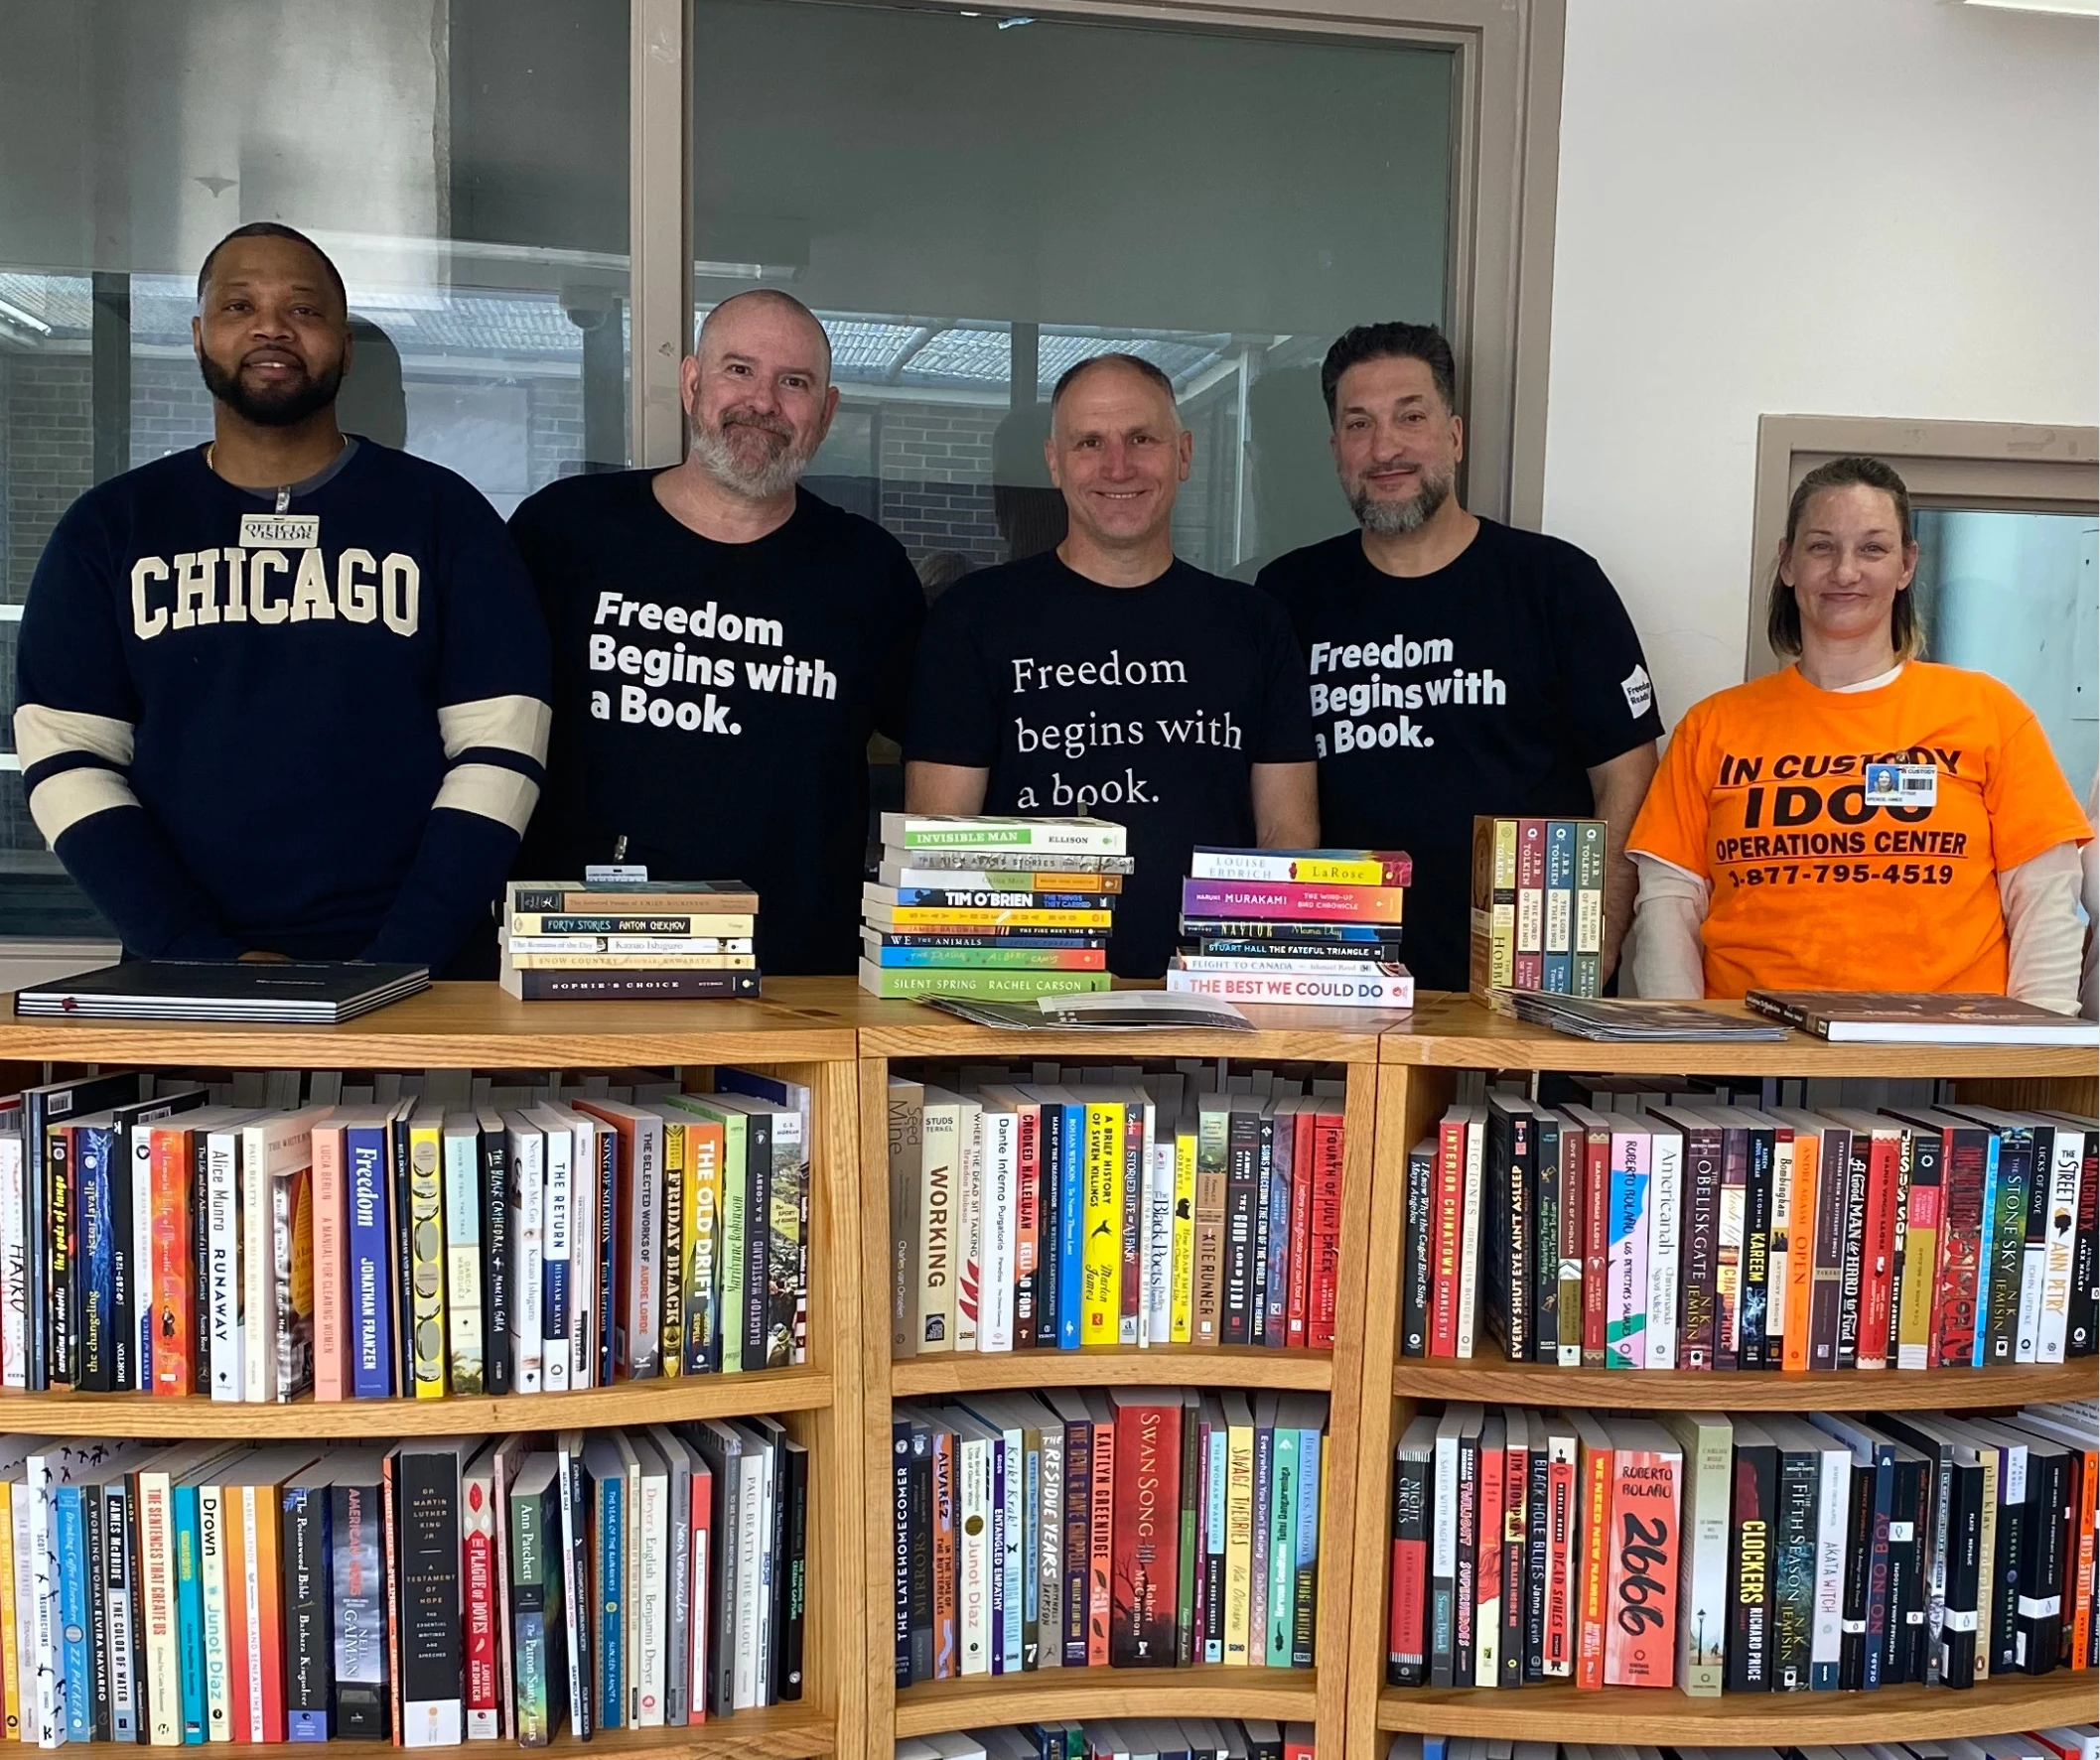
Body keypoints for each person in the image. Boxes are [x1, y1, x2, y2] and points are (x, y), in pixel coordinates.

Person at [14, 222, 550, 975]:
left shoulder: (445, 517)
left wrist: (399, 959)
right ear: (201, 337)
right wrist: (195, 954)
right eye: (239, 306)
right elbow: (68, 760)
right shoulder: (111, 528)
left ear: (344, 345)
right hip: (184, 972)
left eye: (304, 309)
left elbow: (501, 749)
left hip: (418, 975)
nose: (271, 325)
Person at [511, 289, 925, 975]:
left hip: (794, 972)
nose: (763, 401)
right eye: (739, 370)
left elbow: (939, 743)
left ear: (825, 413)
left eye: (793, 382)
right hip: (581, 949)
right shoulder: (563, 532)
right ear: (692, 383)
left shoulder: (867, 569)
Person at [1258, 322, 1662, 994]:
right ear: (1335, 451)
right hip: (1345, 986)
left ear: (1453, 435)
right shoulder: (1287, 595)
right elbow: (1275, 802)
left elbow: (1628, 776)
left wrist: (1594, 946)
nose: (1384, 446)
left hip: (1528, 988)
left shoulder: (1556, 583)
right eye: (1358, 425)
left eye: (1408, 416)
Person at [905, 353, 1320, 978]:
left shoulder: (1256, 624)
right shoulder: (975, 618)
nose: (1117, 466)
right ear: (1054, 463)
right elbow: (940, 848)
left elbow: (1287, 838)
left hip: (1211, 1005)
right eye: (1090, 442)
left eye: (1142, 439)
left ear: (1183, 454)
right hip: (1021, 995)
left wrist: (1256, 984)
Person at [1625, 456, 2089, 1010]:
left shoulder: (1989, 712)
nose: (1846, 571)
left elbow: (2044, 898)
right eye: (1821, 546)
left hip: (1942, 1057)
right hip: (1750, 1054)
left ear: (1907, 565)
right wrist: (1683, 1049)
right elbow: (1668, 906)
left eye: (1873, 548)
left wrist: (2032, 1054)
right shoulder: (1711, 728)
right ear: (1788, 562)